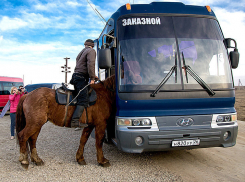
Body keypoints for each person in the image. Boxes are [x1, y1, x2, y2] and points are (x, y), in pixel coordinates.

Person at [70, 39, 96, 128]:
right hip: (81, 78)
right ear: (93, 45)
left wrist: (94, 76)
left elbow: (81, 66)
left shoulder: (81, 52)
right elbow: (91, 64)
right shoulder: (91, 51)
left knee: (79, 96)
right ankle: (75, 121)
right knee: (83, 98)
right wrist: (92, 78)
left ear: (85, 45)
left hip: (75, 76)